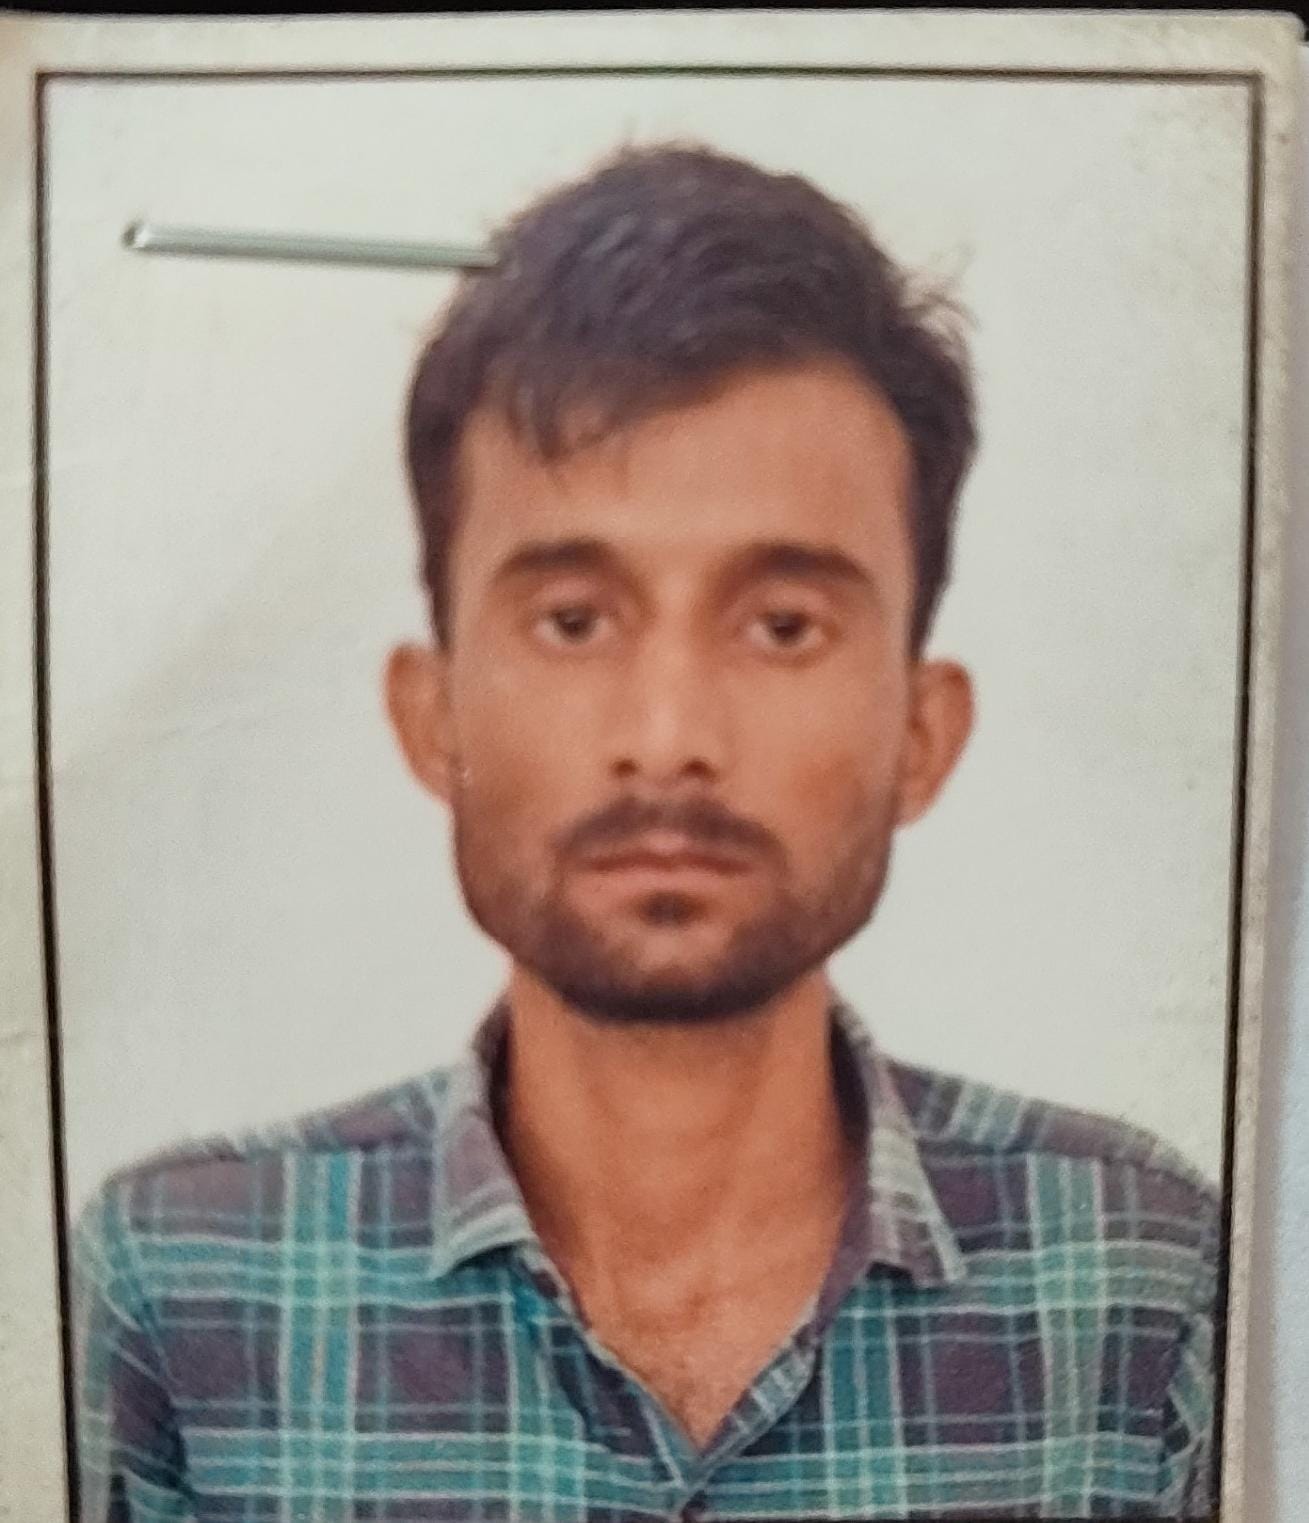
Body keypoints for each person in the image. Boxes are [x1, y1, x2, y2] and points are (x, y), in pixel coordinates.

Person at [72, 142, 1219, 1522]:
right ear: (431, 716)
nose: (669, 733)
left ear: (922, 733)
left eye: (781, 625)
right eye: (573, 620)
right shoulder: (177, 1292)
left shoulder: (1144, 1277)